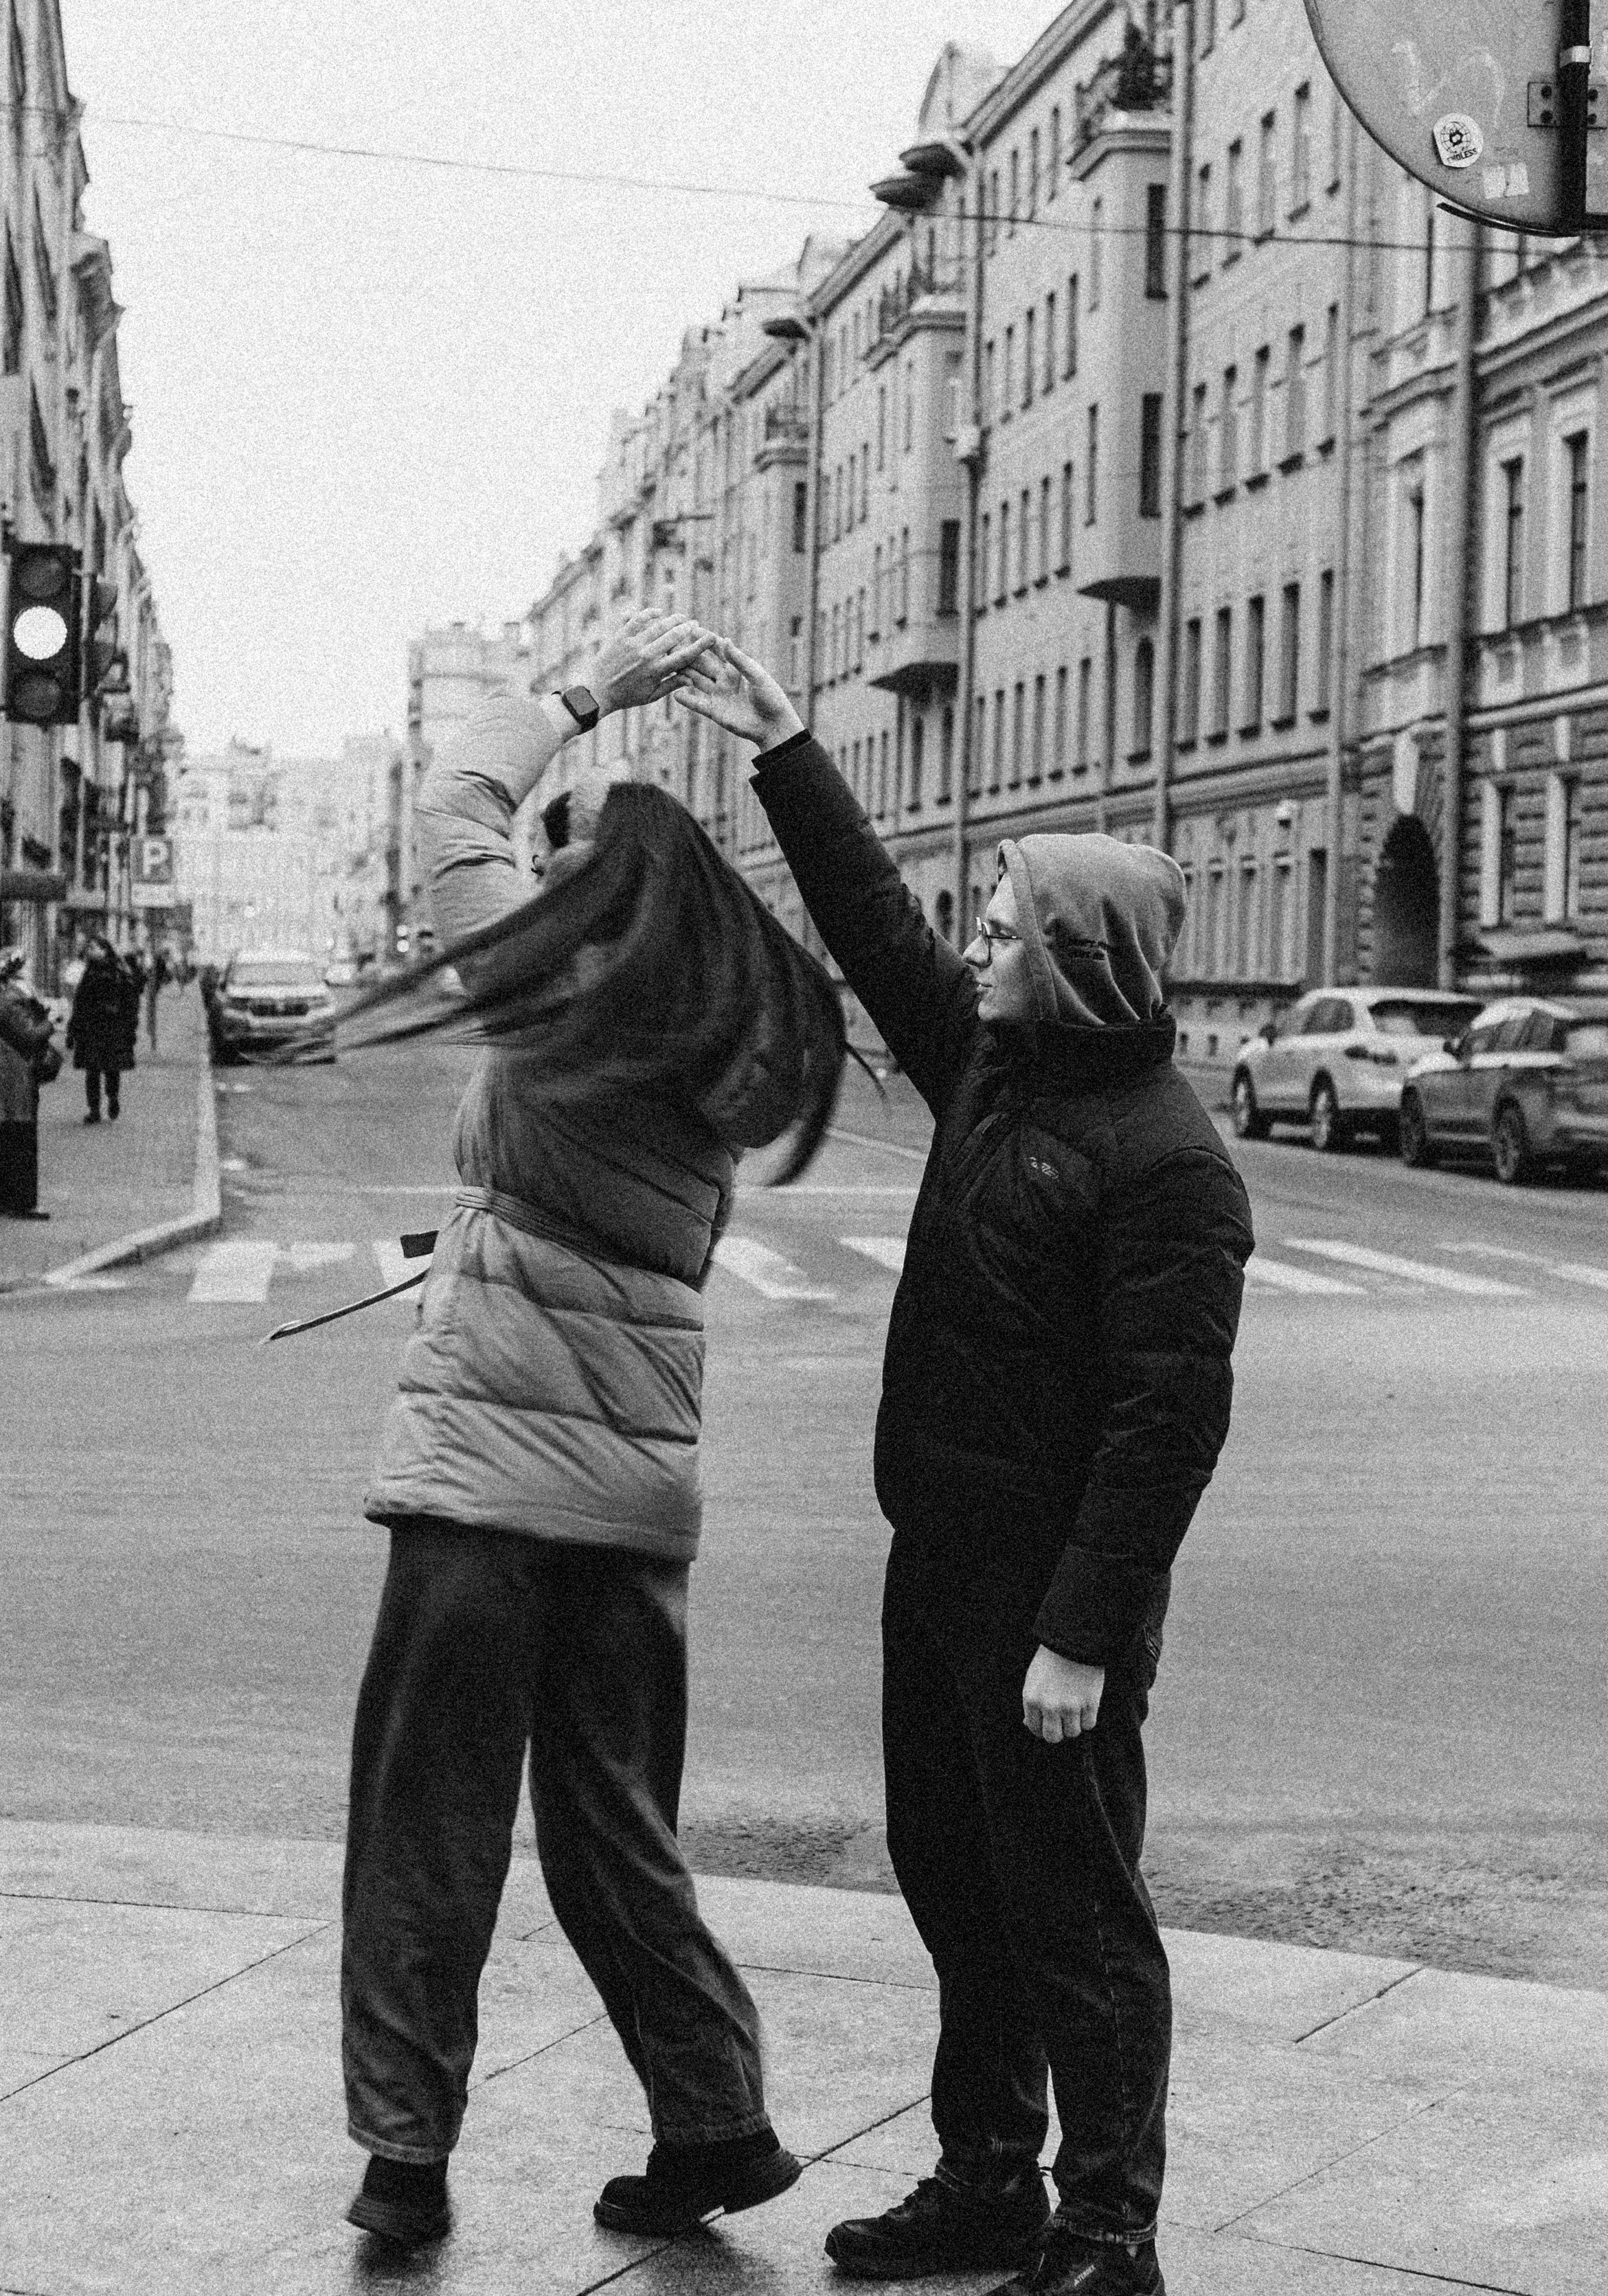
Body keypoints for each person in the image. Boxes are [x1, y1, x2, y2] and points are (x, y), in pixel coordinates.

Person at [679, 639, 1254, 2296]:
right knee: (953, 1883)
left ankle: (1106, 2229)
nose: (978, 946)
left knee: (1076, 1917)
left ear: (1070, 961)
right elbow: (874, 927)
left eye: (1005, 928)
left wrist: (1077, 1633)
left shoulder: (1168, 1165)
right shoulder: (996, 1076)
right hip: (934, 1561)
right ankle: (986, 2176)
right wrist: (785, 744)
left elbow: (1165, 1424)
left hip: (1047, 1612)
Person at [339, 609, 848, 2255]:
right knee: (613, 1819)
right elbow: (617, 1218)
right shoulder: (732, 1042)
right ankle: (716, 2116)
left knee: (431, 1820)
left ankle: (405, 2160)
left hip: (486, 1480)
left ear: (598, 899)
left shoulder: (548, 982)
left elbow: (448, 816)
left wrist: (576, 696)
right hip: (637, 1482)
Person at [0, 946, 56, 1220]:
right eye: (25, 968)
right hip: (15, 1078)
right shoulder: (11, 1001)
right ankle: (22, 1203)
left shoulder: (1, 997)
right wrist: (51, 1024)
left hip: (4, 1077)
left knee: (4, 1140)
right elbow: (28, 1037)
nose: (29, 972)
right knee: (22, 1140)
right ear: (14, 974)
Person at [67, 935, 138, 1123]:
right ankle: (95, 1109)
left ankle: (112, 1099)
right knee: (94, 1070)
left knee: (109, 1069)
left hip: (109, 1029)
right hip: (94, 1029)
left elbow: (130, 1003)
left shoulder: (117, 972)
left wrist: (130, 1028)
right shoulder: (90, 973)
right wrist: (72, 1030)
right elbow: (79, 1003)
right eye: (89, 947)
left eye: (94, 947)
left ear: (105, 950)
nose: (90, 950)